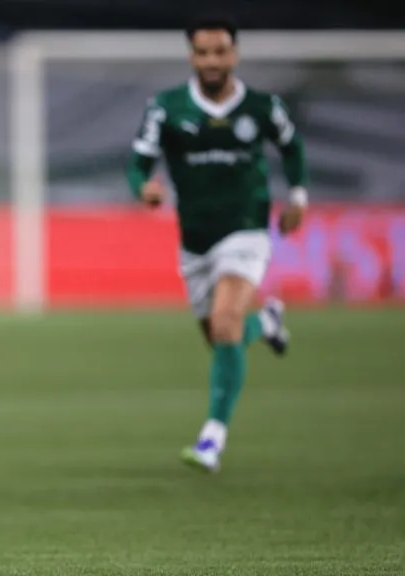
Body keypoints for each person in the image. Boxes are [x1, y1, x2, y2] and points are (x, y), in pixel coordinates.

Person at [125, 16, 308, 474]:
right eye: (202, 53)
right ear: (192, 56)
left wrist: (298, 197)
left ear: (234, 54)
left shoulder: (263, 107)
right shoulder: (166, 108)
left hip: (246, 227)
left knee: (226, 323)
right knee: (221, 336)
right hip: (195, 240)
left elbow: (292, 148)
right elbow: (138, 161)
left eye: (220, 51)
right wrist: (143, 187)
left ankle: (212, 439)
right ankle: (265, 322)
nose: (211, 61)